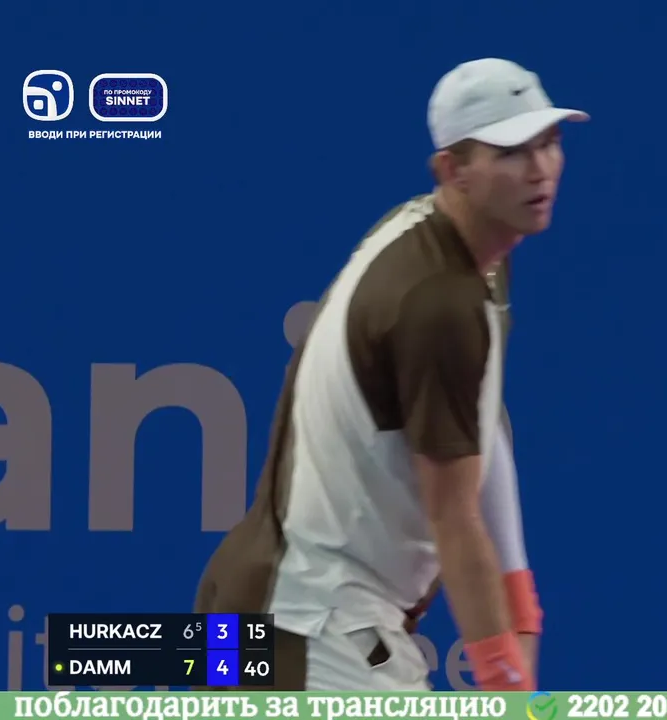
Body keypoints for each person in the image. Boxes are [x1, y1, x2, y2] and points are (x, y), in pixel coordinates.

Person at [192, 57, 587, 691]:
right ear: (453, 170)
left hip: (276, 613)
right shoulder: (439, 304)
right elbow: (453, 515)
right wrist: (503, 677)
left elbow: (481, 426)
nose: (540, 168)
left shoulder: (461, 251)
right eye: (511, 152)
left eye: (549, 142)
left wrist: (521, 613)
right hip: (307, 630)